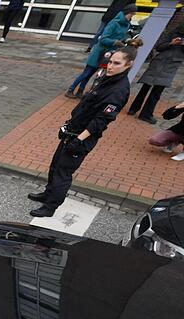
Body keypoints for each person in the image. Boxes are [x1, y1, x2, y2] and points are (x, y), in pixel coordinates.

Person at [29, 47, 135, 217]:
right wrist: (68, 124)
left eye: (117, 63)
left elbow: (101, 121)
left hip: (82, 137)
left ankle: (50, 207)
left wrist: (79, 139)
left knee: (63, 173)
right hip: (73, 130)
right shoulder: (105, 78)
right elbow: (86, 105)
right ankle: (48, 194)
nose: (111, 66)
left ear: (128, 65)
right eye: (110, 62)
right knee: (55, 166)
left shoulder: (119, 89)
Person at [67, 4, 135, 98]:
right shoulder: (114, 23)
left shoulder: (126, 25)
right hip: (99, 52)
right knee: (86, 73)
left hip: (107, 54)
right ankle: (71, 89)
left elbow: (121, 38)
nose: (132, 16)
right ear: (127, 13)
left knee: (91, 74)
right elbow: (103, 39)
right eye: (132, 14)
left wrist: (126, 41)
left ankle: (80, 91)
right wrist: (115, 42)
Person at [128, 29, 184, 124]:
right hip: (158, 63)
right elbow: (159, 47)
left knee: (157, 91)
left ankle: (145, 113)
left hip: (170, 67)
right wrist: (171, 43)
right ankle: (134, 109)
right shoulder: (171, 33)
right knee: (145, 87)